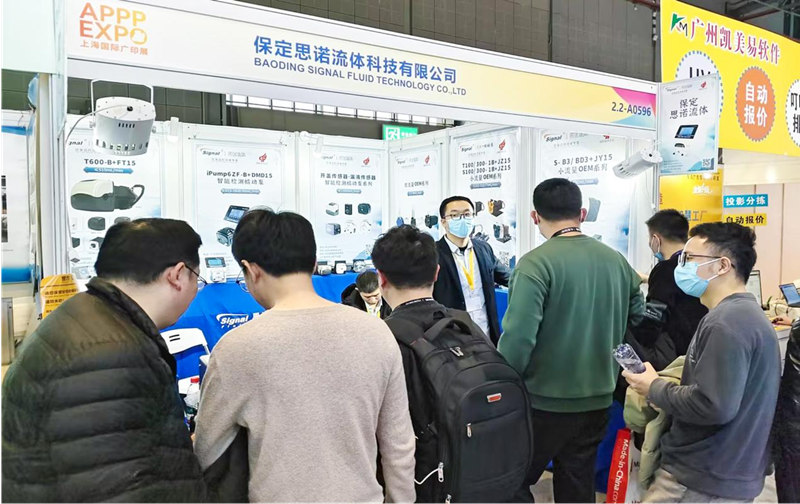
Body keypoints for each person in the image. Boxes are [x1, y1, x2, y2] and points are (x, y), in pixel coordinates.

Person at [193, 209, 415, 502]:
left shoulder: (236, 347)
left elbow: (207, 450)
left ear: (250, 269)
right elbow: (399, 444)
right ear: (314, 262)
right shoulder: (376, 332)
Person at [2, 219, 207, 502]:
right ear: (178, 275)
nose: (196, 289)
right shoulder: (113, 353)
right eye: (197, 278)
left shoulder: (85, 316)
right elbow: (113, 487)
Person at [498, 178, 644, 503]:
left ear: (535, 217)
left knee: (512, 480)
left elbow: (519, 338)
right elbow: (637, 315)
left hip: (544, 401)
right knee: (577, 482)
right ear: (582, 213)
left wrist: (503, 384)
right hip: (599, 398)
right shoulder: (616, 260)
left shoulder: (535, 264)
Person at [372, 225, 531, 503]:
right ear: (436, 272)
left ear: (381, 278)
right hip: (489, 478)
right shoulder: (465, 323)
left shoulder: (383, 337)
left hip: (429, 484)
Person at [624, 222, 781, 503]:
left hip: (701, 478)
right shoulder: (744, 316)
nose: (680, 267)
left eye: (689, 259)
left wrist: (654, 387)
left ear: (722, 265)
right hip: (725, 471)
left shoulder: (726, 323)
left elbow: (712, 405)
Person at [630, 210, 708, 369]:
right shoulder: (699, 264)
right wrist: (648, 278)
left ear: (655, 239)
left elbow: (654, 318)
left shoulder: (665, 269)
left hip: (676, 353)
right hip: (700, 345)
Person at [433, 195, 510, 344]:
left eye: (467, 214)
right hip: (451, 337)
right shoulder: (432, 253)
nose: (462, 219)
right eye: (454, 215)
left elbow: (507, 277)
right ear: (443, 222)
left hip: (486, 335)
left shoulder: (483, 248)